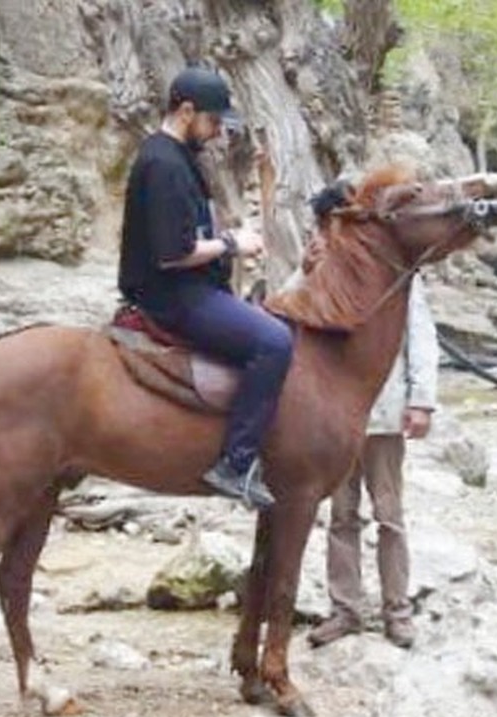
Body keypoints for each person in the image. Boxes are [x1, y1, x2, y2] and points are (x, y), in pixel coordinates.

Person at [117, 66, 293, 510]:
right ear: (186, 111)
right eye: (213, 121)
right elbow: (172, 254)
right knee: (274, 341)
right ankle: (235, 462)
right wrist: (232, 243)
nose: (216, 132)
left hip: (190, 288)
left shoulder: (175, 157)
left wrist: (227, 236)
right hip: (175, 297)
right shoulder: (162, 164)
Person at [307, 275, 439, 649]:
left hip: (386, 409)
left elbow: (421, 336)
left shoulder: (401, 277)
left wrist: (421, 400)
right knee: (342, 514)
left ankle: (397, 612)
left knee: (389, 515)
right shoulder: (331, 270)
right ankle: (345, 610)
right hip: (339, 413)